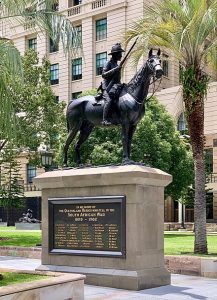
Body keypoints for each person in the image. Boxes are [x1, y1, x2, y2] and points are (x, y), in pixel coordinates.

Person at [101, 43, 125, 125]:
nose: (121, 55)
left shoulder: (116, 64)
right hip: (107, 87)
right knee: (109, 100)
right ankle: (104, 120)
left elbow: (117, 79)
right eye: (120, 53)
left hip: (115, 87)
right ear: (115, 54)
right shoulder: (108, 63)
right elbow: (104, 75)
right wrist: (115, 69)